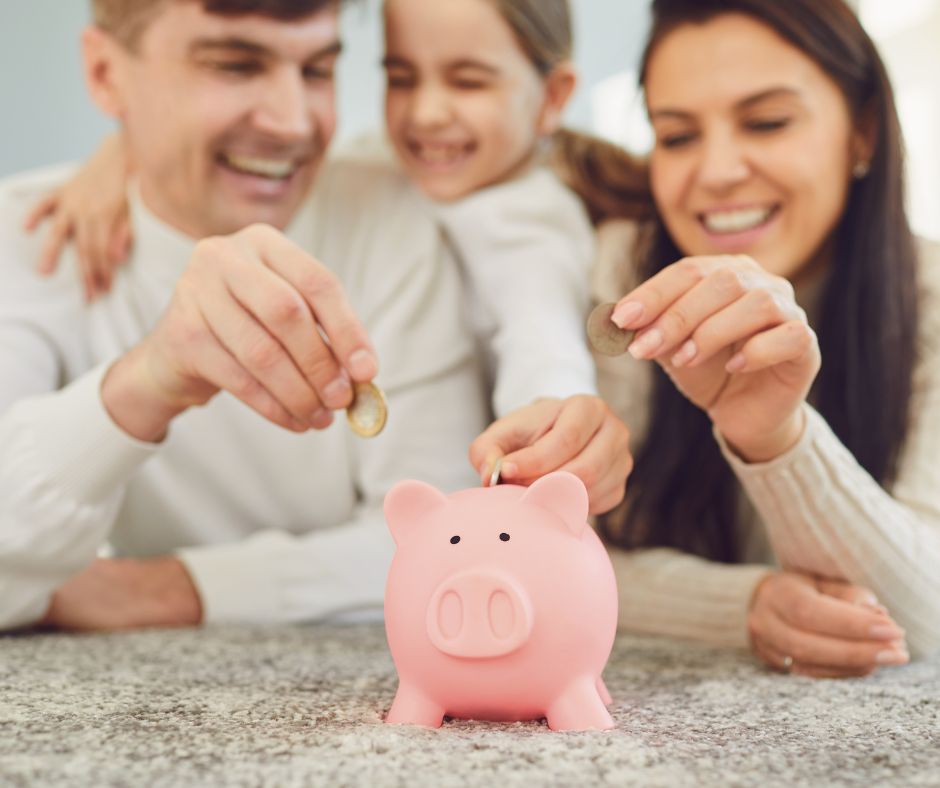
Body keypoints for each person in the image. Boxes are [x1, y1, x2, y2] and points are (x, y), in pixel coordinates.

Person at [0, 0, 630, 632]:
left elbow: (445, 534)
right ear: (105, 73)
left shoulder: (404, 215)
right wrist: (147, 380)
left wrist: (158, 591)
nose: (292, 123)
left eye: (318, 70)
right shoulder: (34, 234)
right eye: (235, 65)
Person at [475, 0, 940, 677]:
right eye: (677, 136)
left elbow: (923, 615)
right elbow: (536, 551)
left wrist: (777, 436)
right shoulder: (620, 277)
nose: (717, 171)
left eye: (767, 122)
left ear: (863, 131)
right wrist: (744, 606)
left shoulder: (931, 302)